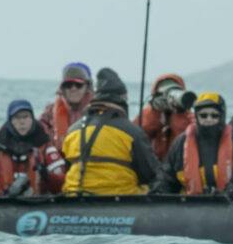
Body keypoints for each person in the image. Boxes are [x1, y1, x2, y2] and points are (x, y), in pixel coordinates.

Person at [59, 67, 160, 196]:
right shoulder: (132, 132)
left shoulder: (72, 131)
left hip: (73, 200)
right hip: (118, 203)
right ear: (123, 97)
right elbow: (151, 173)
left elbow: (68, 169)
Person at [158, 90, 233, 196]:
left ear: (222, 117)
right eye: (203, 115)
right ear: (196, 116)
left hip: (227, 202)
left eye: (214, 115)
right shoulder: (180, 143)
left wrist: (230, 192)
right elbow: (167, 176)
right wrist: (159, 192)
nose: (209, 119)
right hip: (190, 203)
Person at [0, 100, 65, 198]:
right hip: (6, 205)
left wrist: (46, 175)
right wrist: (6, 194)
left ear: (32, 119)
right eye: (17, 117)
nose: (22, 122)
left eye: (26, 117)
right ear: (10, 121)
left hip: (38, 203)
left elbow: (62, 183)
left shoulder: (46, 148)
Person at [136, 72, 194, 158]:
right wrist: (155, 110)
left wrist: (179, 113)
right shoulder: (148, 113)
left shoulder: (189, 117)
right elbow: (139, 133)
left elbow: (187, 140)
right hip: (153, 164)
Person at [41, 62, 92, 142]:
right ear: (62, 89)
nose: (73, 89)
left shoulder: (98, 112)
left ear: (88, 87)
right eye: (68, 85)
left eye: (78, 85)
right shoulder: (49, 113)